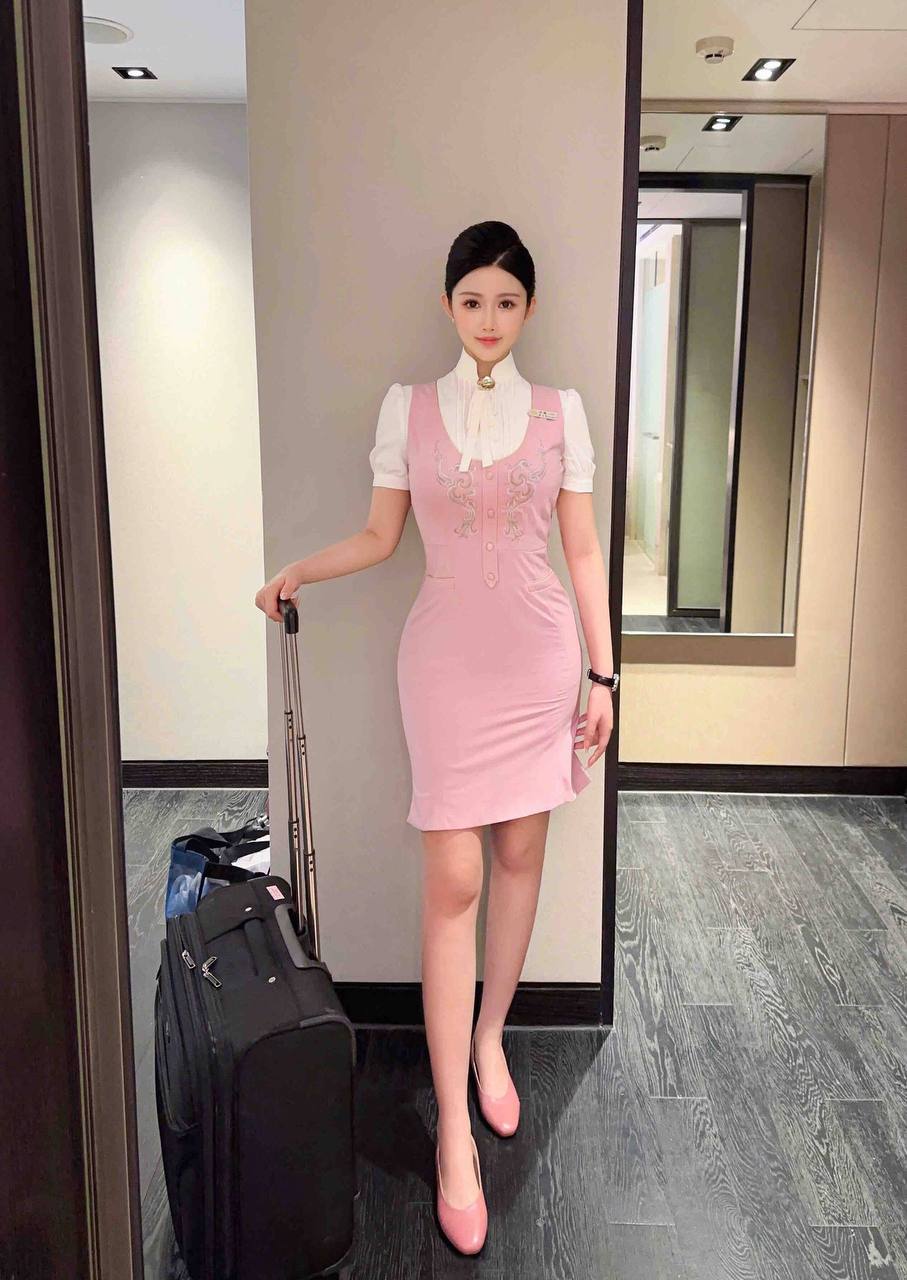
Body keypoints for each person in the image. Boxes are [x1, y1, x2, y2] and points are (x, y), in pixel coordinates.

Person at [255, 220, 616, 1256]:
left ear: (528, 308)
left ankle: (490, 1037)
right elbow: (382, 535)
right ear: (448, 305)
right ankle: (453, 1125)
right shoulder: (407, 409)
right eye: (471, 300)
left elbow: (582, 551)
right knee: (453, 878)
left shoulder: (560, 412)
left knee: (520, 853)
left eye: (506, 301)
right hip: (445, 668)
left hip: (539, 659)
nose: (488, 319)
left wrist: (603, 673)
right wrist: (299, 570)